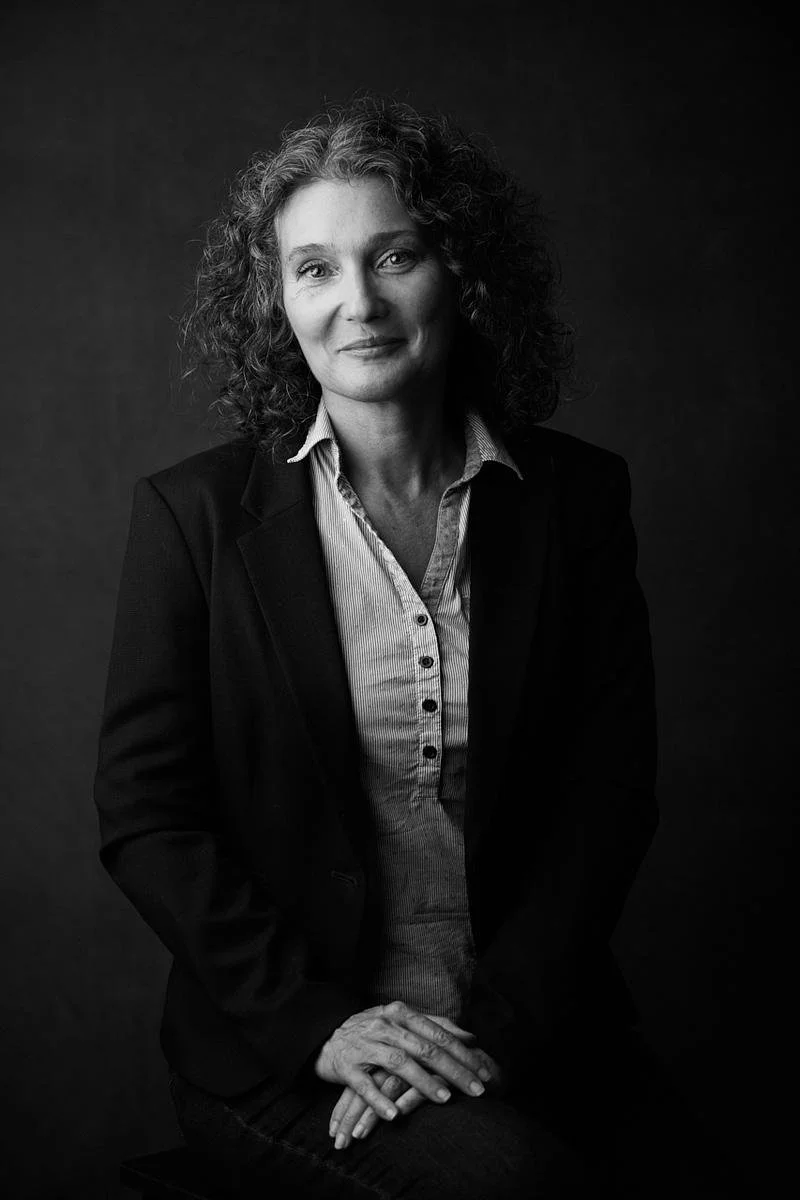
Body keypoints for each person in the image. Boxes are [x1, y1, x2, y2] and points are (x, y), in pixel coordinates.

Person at [94, 95, 714, 1198]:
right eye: (314, 269)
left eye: (396, 256)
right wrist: (321, 1026)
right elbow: (149, 817)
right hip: (297, 1052)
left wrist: (493, 1035)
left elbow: (606, 796)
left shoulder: (574, 500)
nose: (359, 303)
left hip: (529, 1025)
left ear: (460, 276)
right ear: (274, 300)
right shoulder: (192, 517)